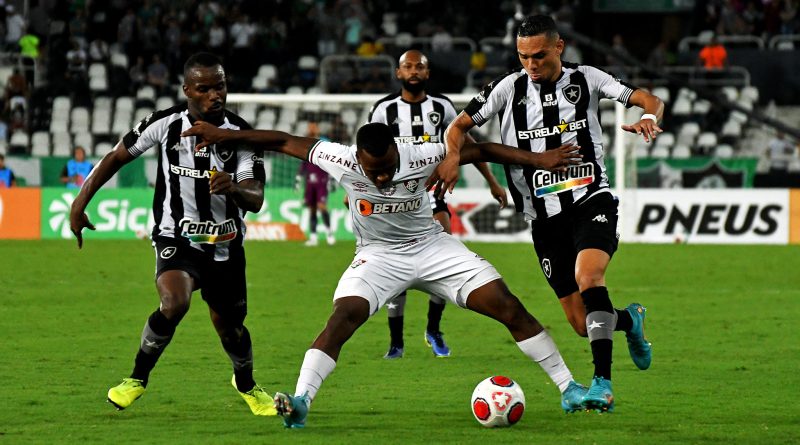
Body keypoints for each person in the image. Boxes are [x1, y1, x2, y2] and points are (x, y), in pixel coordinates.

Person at [180, 120, 587, 429]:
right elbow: (282, 141)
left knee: (508, 307)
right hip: (377, 256)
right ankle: (301, 401)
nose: (382, 178)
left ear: (397, 152)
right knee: (342, 319)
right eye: (374, 172)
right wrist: (224, 135)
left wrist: (540, 160)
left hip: (432, 247)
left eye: (388, 168)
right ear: (358, 158)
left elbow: (481, 151)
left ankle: (569, 389)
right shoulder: (339, 157)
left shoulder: (422, 153)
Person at [432, 15, 663, 413]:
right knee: (580, 323)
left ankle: (602, 384)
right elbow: (458, 127)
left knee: (588, 276)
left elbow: (648, 98)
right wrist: (453, 156)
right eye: (523, 57)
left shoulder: (587, 78)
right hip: (543, 220)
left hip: (591, 200)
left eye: (539, 55)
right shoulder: (508, 88)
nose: (531, 65)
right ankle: (629, 320)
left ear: (559, 47)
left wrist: (648, 117)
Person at [68, 52, 276, 417]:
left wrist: (235, 189)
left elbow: (256, 199)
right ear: (187, 90)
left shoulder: (242, 135)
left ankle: (245, 383)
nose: (216, 95)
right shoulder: (164, 124)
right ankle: (136, 379)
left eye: (221, 86)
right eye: (205, 88)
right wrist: (79, 203)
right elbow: (116, 157)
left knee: (231, 330)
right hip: (176, 237)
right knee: (174, 302)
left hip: (225, 246)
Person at [368, 49, 509, 359]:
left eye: (420, 66)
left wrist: (492, 180)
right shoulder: (383, 110)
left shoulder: (442, 107)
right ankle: (396, 341)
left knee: (443, 253)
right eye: (408, 66)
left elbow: (464, 143)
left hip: (433, 193)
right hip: (396, 197)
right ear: (399, 73)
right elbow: (368, 153)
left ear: (428, 74)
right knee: (397, 266)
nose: (414, 71)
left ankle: (433, 329)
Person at [298, 122, 335, 246]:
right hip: (310, 182)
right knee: (312, 210)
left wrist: (332, 179)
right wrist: (298, 178)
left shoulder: (324, 144)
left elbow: (330, 162)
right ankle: (313, 237)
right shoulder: (305, 144)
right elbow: (303, 162)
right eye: (310, 127)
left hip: (321, 181)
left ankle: (329, 234)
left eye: (313, 127)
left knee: (322, 206)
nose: (311, 129)